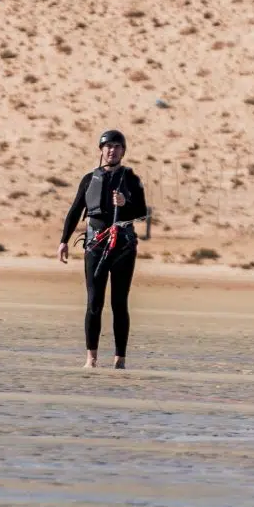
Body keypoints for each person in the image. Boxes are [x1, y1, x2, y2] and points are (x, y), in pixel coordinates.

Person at [56, 130, 149, 369]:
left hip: (123, 248)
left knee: (119, 303)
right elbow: (75, 210)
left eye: (117, 147)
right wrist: (64, 241)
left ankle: (120, 360)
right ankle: (91, 359)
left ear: (123, 151)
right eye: (108, 146)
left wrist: (125, 203)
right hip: (95, 246)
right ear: (101, 150)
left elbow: (142, 212)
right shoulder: (89, 179)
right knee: (94, 303)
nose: (112, 151)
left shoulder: (131, 179)